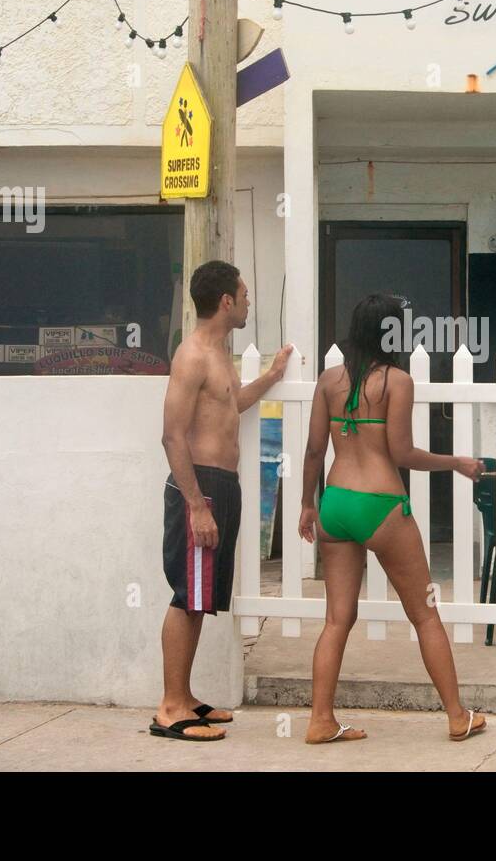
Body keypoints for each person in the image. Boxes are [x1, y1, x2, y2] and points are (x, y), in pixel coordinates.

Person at [298, 292, 488, 744]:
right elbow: (402, 453)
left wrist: (308, 504)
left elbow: (312, 451)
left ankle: (320, 720)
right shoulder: (396, 382)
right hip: (381, 506)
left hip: (336, 504)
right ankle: (457, 716)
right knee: (425, 616)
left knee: (335, 620)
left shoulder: (327, 381)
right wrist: (456, 462)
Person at [153, 260, 292, 741]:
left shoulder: (218, 355)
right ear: (226, 301)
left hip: (221, 485)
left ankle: (185, 696)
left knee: (200, 596)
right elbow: (172, 437)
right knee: (185, 596)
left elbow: (232, 405)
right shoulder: (191, 355)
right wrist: (196, 504)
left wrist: (271, 377)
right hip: (201, 487)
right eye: (245, 294)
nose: (249, 301)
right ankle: (170, 708)